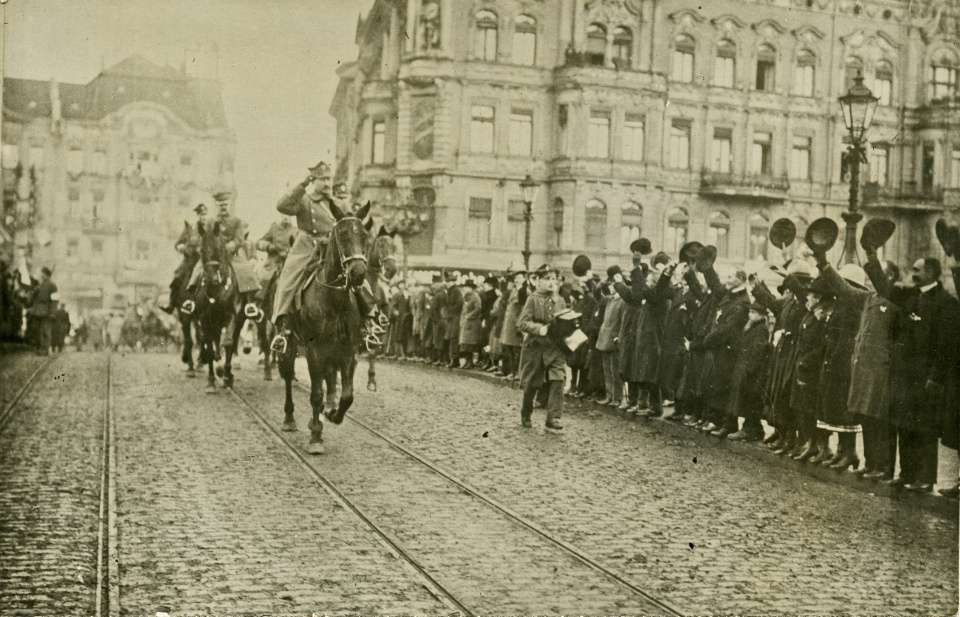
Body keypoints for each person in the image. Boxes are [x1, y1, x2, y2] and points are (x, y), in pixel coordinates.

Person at [869, 257, 960, 491]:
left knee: (925, 429)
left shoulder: (946, 303)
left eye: (917, 270)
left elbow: (947, 344)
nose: (912, 273)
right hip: (904, 375)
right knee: (904, 425)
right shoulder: (911, 295)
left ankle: (926, 478)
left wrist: (936, 377)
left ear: (930, 272)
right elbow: (884, 287)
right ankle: (906, 473)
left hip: (925, 378)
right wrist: (871, 257)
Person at [270, 161, 376, 353]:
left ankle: (369, 322)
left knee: (359, 277)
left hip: (332, 248)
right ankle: (283, 327)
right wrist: (302, 184)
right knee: (288, 279)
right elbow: (282, 205)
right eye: (322, 179)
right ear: (314, 180)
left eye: (329, 179)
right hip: (306, 245)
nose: (327, 183)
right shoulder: (305, 200)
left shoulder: (340, 203)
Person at [516, 264, 571, 431]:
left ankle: (553, 417)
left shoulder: (560, 300)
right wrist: (540, 329)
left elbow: (565, 320)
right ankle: (526, 413)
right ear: (538, 281)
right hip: (536, 347)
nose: (551, 282)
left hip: (555, 347)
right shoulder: (532, 299)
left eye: (554, 279)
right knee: (532, 383)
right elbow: (522, 323)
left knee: (558, 379)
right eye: (547, 278)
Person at [184, 191, 260, 309]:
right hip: (214, 254)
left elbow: (240, 239)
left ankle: (249, 303)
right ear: (217, 206)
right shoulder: (210, 222)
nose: (223, 207)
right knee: (198, 269)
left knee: (245, 269)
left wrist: (231, 245)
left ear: (229, 205)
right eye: (221, 205)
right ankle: (191, 300)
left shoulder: (236, 221)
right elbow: (205, 236)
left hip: (232, 254)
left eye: (225, 204)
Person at [725, 302, 771, 441]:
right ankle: (752, 429)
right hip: (746, 368)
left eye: (754, 313)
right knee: (747, 400)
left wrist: (749, 368)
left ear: (762, 315)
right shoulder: (752, 327)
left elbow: (758, 351)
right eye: (750, 312)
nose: (750, 315)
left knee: (750, 401)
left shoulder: (761, 329)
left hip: (753, 371)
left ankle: (750, 430)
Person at [161, 203, 206, 314]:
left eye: (205, 214)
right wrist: (184, 249)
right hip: (190, 261)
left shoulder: (210, 228)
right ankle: (171, 305)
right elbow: (178, 244)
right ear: (197, 215)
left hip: (205, 261)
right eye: (201, 214)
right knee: (177, 278)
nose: (203, 217)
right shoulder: (190, 229)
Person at [28, 267, 57, 355]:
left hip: (46, 310)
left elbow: (55, 300)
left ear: (46, 275)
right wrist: (34, 291)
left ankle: (45, 349)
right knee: (36, 329)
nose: (41, 275)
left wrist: (52, 312)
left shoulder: (53, 286)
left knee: (45, 330)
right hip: (37, 310)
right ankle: (38, 347)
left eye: (42, 274)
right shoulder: (39, 285)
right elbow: (32, 297)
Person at [458, 278, 483, 369]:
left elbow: (478, 309)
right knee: (465, 343)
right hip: (465, 323)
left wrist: (469, 316)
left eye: (467, 287)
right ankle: (467, 361)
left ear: (471, 288)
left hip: (472, 323)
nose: (465, 289)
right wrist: (462, 320)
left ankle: (470, 362)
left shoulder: (476, 297)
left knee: (470, 344)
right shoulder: (466, 297)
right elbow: (463, 309)